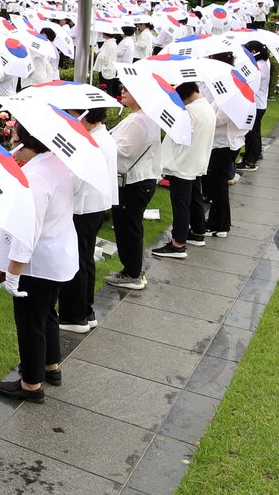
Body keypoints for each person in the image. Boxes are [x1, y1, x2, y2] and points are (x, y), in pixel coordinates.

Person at [0, 123, 77, 403]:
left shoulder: (34, 178)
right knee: (45, 313)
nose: (11, 140)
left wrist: (14, 272)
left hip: (38, 263)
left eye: (14, 136)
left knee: (30, 322)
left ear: (26, 140)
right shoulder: (55, 162)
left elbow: (27, 229)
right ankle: (50, 365)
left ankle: (31, 383)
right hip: (56, 255)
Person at [58, 108, 117, 333]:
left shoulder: (88, 143)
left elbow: (74, 181)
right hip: (96, 205)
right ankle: (86, 309)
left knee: (77, 260)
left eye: (74, 114)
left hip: (83, 207)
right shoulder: (102, 137)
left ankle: (74, 316)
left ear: (85, 115)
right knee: (86, 258)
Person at [105, 88, 163, 290]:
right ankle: (132, 269)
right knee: (130, 226)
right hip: (138, 181)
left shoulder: (139, 120)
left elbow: (125, 151)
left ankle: (132, 273)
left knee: (128, 227)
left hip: (133, 183)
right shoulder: (142, 117)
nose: (123, 91)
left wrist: (105, 143)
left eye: (128, 89)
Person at [152, 82, 214, 259]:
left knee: (181, 204)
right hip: (196, 161)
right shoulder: (206, 107)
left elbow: (182, 136)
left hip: (182, 164)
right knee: (194, 198)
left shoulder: (191, 111)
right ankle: (197, 231)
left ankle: (178, 244)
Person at [206, 95, 247, 239]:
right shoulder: (229, 96)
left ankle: (220, 225)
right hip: (225, 143)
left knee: (218, 186)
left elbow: (219, 119)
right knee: (217, 185)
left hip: (223, 145)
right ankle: (217, 222)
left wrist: (204, 114)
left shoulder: (230, 97)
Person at [237, 42, 271, 171]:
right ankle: (254, 154)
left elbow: (251, 84)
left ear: (253, 52)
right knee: (254, 131)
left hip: (256, 104)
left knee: (252, 133)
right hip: (259, 103)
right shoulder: (263, 62)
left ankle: (251, 161)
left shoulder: (260, 67)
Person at [94, 32, 120, 97]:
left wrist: (98, 54)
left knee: (106, 89)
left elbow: (103, 57)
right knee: (109, 88)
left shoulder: (108, 43)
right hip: (112, 68)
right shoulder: (113, 42)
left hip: (106, 68)